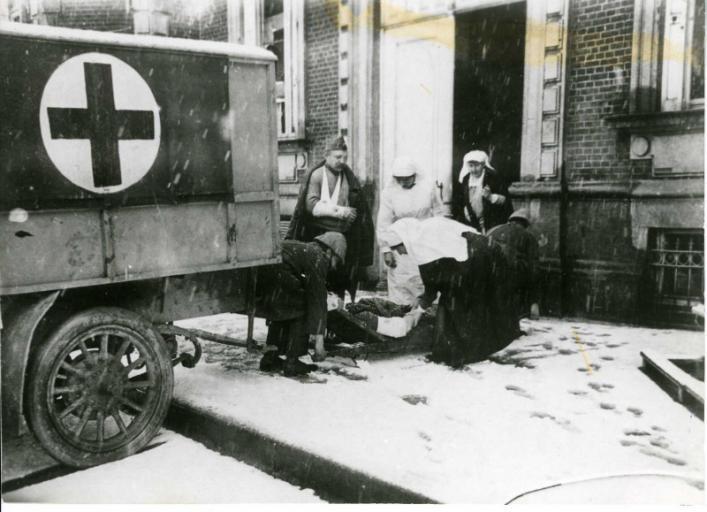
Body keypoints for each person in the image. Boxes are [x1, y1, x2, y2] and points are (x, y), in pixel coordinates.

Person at [384, 217, 518, 368]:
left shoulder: (421, 244)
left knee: (460, 303)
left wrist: (420, 307)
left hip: (479, 257)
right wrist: (423, 300)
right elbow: (436, 280)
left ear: (405, 240)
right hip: (482, 251)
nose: (399, 253)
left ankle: (468, 351)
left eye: (397, 248)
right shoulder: (422, 232)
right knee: (455, 300)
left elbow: (433, 285)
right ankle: (458, 349)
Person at [286, 136, 374, 301]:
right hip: (318, 235)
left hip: (343, 241)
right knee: (319, 279)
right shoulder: (318, 176)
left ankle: (336, 312)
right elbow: (311, 206)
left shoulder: (348, 178)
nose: (342, 161)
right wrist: (340, 212)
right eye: (337, 157)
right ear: (327, 156)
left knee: (339, 282)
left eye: (344, 157)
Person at [257, 232, 346, 376]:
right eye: (336, 260)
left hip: (261, 277)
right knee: (304, 305)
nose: (334, 266)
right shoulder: (318, 256)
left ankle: (270, 357)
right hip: (278, 275)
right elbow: (317, 298)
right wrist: (319, 343)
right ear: (329, 251)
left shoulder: (304, 248)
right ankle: (292, 361)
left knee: (282, 308)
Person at [377, 156, 444, 305]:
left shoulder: (428, 188)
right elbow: (384, 222)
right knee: (401, 288)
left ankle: (423, 318)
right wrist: (386, 249)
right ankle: (402, 321)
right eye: (399, 178)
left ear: (414, 175)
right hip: (400, 245)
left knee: (424, 283)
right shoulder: (389, 193)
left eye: (406, 178)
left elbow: (439, 213)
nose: (403, 182)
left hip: (424, 244)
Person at [487, 208, 540, 320]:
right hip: (514, 274)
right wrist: (534, 300)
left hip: (491, 270)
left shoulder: (493, 231)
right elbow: (534, 268)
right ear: (525, 224)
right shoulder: (528, 237)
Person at [455, 150, 512, 234]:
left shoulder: (493, 177)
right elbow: (463, 200)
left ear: (483, 165)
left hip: (493, 221)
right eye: (471, 166)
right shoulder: (466, 179)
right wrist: (466, 209)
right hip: (474, 221)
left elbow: (505, 200)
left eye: (477, 166)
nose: (474, 170)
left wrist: (490, 197)